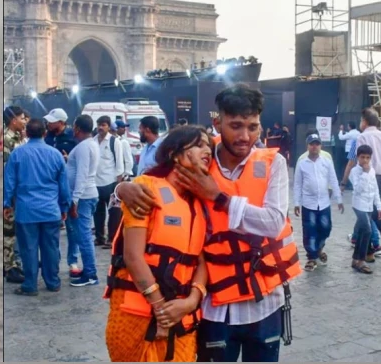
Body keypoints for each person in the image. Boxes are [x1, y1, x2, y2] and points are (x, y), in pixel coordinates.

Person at [115, 83, 301, 362]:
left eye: (252, 127)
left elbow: (273, 223)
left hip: (265, 300)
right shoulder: (199, 156)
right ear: (218, 123)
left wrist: (218, 197)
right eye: (236, 126)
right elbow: (160, 180)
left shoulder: (273, 164)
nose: (245, 136)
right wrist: (122, 189)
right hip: (214, 303)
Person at [104, 125, 212, 362]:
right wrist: (161, 308)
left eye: (209, 146)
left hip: (182, 318)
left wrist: (191, 301)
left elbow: (202, 262)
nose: (208, 150)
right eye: (199, 144)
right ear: (174, 153)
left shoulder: (200, 204)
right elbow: (133, 256)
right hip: (136, 316)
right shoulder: (146, 188)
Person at [3, 119, 71, 296]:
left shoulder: (17, 154)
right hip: (50, 210)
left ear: (27, 133)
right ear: (44, 133)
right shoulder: (56, 155)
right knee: (51, 248)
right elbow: (64, 185)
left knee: (28, 249)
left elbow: (9, 182)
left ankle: (30, 285)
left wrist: (6, 204)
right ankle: (53, 282)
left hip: (26, 212)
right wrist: (64, 207)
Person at [293, 133, 343, 271]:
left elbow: (333, 179)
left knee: (326, 228)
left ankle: (319, 248)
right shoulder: (302, 163)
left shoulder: (326, 161)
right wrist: (296, 203)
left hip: (324, 202)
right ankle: (311, 257)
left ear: (320, 146)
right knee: (310, 230)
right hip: (308, 203)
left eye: (317, 144)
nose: (314, 147)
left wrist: (339, 199)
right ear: (307, 146)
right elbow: (297, 184)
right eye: (312, 144)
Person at [343, 108, 381, 262]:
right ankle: (366, 252)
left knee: (374, 216)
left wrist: (344, 181)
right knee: (371, 214)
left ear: (365, 121)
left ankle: (367, 252)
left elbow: (356, 161)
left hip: (369, 178)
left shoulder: (362, 137)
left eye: (361, 120)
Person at [65, 114, 100, 287]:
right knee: (83, 235)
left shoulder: (84, 147)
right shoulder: (90, 144)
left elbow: (82, 174)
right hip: (86, 196)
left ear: (77, 128)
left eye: (73, 126)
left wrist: (75, 200)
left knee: (84, 237)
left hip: (83, 197)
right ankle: (88, 271)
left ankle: (90, 274)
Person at [349, 144, 381, 274]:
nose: (365, 160)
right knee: (368, 230)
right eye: (362, 157)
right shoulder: (354, 171)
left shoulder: (372, 170)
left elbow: (375, 189)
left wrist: (378, 207)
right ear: (358, 157)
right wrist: (364, 173)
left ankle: (355, 259)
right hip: (359, 205)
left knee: (362, 231)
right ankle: (361, 261)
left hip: (369, 206)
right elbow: (358, 189)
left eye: (367, 157)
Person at [2, 106, 26, 284]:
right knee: (8, 232)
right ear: (13, 120)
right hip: (9, 193)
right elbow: (6, 171)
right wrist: (8, 198)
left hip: (17, 192)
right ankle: (9, 268)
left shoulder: (17, 138)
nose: (24, 121)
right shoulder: (6, 140)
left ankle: (13, 263)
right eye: (22, 118)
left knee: (14, 232)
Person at [93, 115, 125, 247]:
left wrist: (118, 183)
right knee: (97, 212)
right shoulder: (93, 141)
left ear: (108, 126)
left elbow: (119, 163)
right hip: (95, 183)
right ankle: (99, 237)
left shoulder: (114, 141)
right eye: (99, 125)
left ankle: (112, 239)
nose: (101, 127)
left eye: (103, 125)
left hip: (111, 182)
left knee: (114, 213)